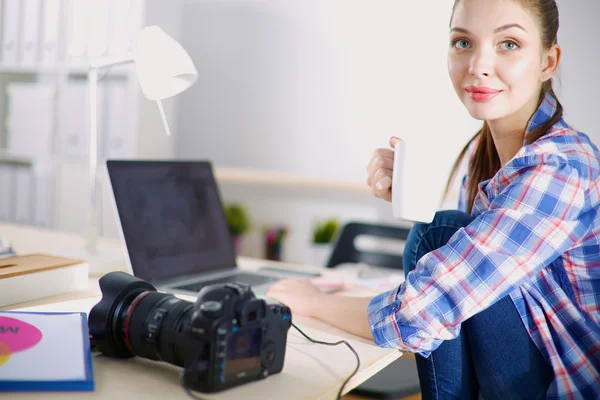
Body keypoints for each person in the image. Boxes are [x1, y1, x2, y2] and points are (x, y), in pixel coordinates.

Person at [265, 0, 600, 398]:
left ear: (548, 61)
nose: (478, 64)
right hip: (521, 368)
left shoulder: (561, 169)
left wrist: (311, 301)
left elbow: (421, 312)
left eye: (508, 44)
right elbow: (474, 278)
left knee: (438, 233)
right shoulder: (483, 152)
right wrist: (407, 198)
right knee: (440, 233)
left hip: (565, 388)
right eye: (463, 43)